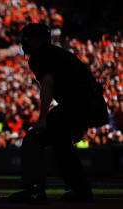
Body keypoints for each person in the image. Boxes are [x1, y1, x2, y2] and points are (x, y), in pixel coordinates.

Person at [9, 23, 109, 204]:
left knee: (34, 138)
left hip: (77, 105)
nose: (24, 42)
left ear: (35, 39)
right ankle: (80, 190)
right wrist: (80, 124)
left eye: (27, 38)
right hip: (93, 105)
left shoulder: (39, 56)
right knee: (60, 141)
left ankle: (34, 190)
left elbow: (47, 82)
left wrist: (42, 118)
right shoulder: (60, 53)